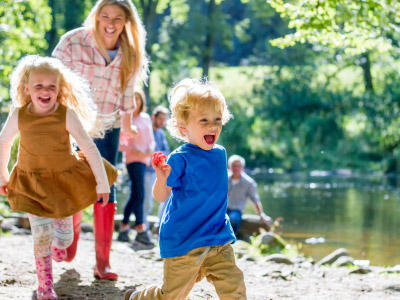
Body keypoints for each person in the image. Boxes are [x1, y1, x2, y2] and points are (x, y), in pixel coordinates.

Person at [0, 55, 117, 300]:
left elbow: (89, 147)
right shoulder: (20, 115)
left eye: (51, 86)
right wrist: (2, 176)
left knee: (63, 241)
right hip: (32, 183)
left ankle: (63, 238)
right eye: (38, 86)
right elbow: (4, 143)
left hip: (62, 185)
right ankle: (45, 286)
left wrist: (102, 183)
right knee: (41, 235)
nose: (45, 91)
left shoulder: (65, 114)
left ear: (59, 90)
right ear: (27, 89)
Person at [125, 78, 247, 300]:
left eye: (217, 120)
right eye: (204, 120)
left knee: (234, 285)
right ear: (184, 128)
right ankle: (140, 297)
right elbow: (161, 196)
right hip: (184, 240)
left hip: (217, 237)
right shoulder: (179, 158)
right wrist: (162, 177)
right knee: (171, 296)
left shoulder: (220, 154)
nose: (212, 126)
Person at [52, 0, 148, 280]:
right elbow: (51, 78)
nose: (110, 22)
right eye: (105, 15)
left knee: (105, 184)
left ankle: (102, 263)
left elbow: (128, 95)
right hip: (72, 122)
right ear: (96, 16)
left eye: (118, 18)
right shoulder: (73, 42)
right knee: (72, 181)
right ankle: (68, 242)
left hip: (108, 125)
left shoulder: (130, 51)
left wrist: (128, 128)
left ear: (126, 21)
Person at [117, 89, 155, 245]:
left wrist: (151, 150)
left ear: (142, 102)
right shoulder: (126, 119)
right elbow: (118, 144)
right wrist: (132, 150)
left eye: (138, 99)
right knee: (140, 193)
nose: (136, 102)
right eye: (133, 100)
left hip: (145, 159)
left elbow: (151, 140)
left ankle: (124, 227)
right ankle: (140, 228)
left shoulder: (145, 118)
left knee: (136, 194)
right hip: (133, 160)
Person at [227, 155, 272, 235]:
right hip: (223, 209)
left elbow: (255, 200)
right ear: (229, 167)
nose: (236, 168)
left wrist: (261, 214)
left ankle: (230, 240)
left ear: (242, 168)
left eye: (238, 166)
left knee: (232, 220)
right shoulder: (225, 178)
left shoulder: (249, 183)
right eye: (234, 166)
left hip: (236, 210)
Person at [143, 105, 170, 230]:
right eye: (160, 119)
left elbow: (166, 151)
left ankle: (160, 225)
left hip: (159, 171)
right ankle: (144, 228)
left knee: (166, 197)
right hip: (147, 170)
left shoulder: (160, 133)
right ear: (154, 117)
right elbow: (147, 150)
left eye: (164, 119)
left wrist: (159, 156)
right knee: (147, 201)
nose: (162, 122)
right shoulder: (146, 130)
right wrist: (157, 155)